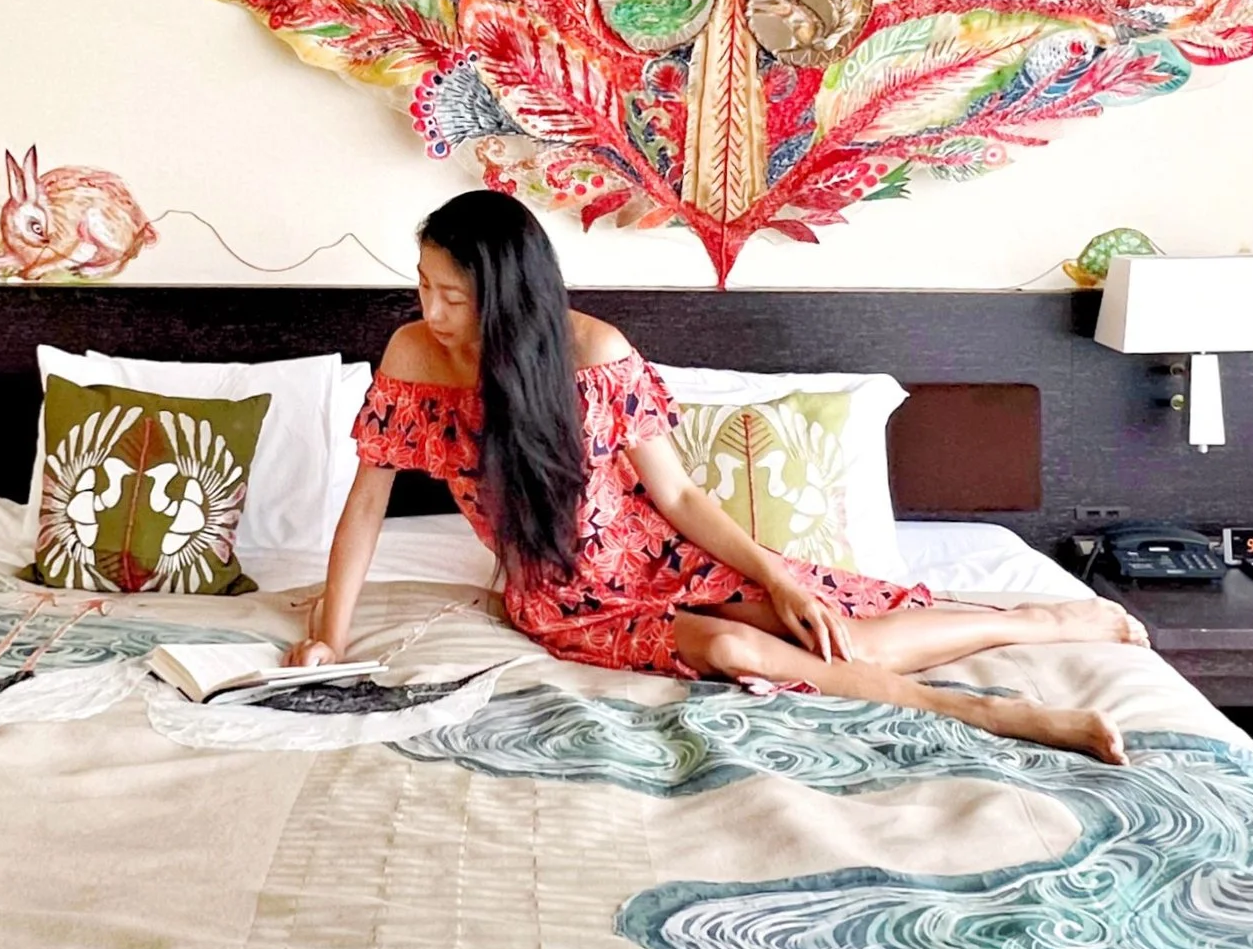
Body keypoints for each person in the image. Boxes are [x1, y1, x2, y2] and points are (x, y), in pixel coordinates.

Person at [294, 189, 1141, 766]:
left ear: (509, 296)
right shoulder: (411, 356)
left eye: (453, 297)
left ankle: (1029, 617)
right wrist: (331, 637)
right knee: (738, 649)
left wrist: (777, 574)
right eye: (424, 287)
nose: (429, 313)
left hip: (662, 557)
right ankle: (989, 712)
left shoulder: (593, 352)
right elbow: (364, 508)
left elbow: (680, 497)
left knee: (830, 630)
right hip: (564, 598)